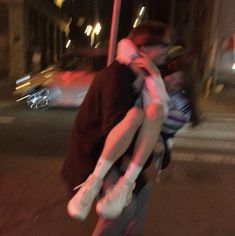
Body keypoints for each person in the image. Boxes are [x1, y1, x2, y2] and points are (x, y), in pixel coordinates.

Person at [61, 21, 175, 235]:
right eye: (165, 44)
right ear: (144, 49)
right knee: (122, 210)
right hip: (95, 157)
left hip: (117, 155)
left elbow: (156, 119)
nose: (169, 50)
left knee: (142, 192)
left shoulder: (143, 76)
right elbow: (113, 128)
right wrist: (147, 150)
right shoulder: (117, 76)